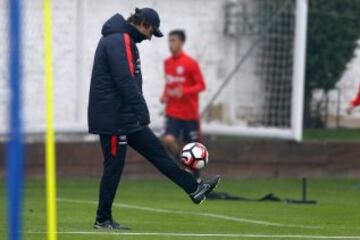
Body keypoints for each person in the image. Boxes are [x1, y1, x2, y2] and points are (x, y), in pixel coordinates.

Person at [87, 8, 220, 230]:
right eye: (152, 32)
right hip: (113, 120)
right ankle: (102, 219)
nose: (150, 38)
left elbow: (127, 81)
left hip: (125, 117)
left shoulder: (124, 39)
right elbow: (124, 80)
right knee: (114, 167)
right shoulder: (119, 40)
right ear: (144, 24)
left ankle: (194, 189)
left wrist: (136, 113)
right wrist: (142, 111)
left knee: (159, 154)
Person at [160, 30, 206, 181]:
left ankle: (197, 177)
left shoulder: (190, 63)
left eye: (173, 40)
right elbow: (169, 84)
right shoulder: (167, 63)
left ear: (181, 42)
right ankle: (185, 165)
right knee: (167, 140)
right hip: (172, 112)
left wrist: (185, 91)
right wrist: (164, 94)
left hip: (189, 113)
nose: (170, 44)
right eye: (169, 40)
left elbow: (201, 85)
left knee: (194, 148)